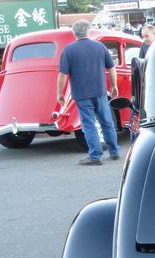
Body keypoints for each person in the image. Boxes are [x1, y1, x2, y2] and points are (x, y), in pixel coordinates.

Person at [56, 20, 120, 165]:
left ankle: (95, 156)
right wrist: (114, 85)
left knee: (89, 125)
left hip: (81, 94)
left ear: (74, 33)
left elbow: (62, 74)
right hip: (100, 91)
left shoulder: (68, 50)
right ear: (88, 31)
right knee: (107, 122)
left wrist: (59, 93)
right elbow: (111, 68)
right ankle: (114, 151)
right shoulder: (100, 46)